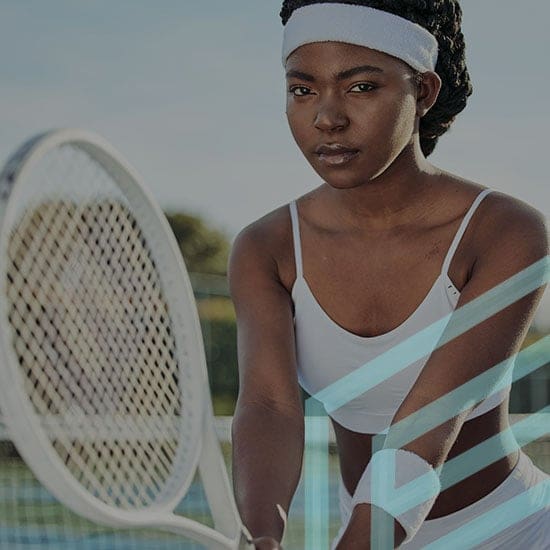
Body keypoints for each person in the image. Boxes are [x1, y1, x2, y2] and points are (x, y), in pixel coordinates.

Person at [228, 1, 550, 548]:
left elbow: (428, 423)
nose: (327, 118)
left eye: (360, 88)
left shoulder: (505, 232)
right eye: (302, 89)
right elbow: (268, 404)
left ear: (423, 91)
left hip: (516, 529)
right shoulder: (266, 248)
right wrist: (260, 536)